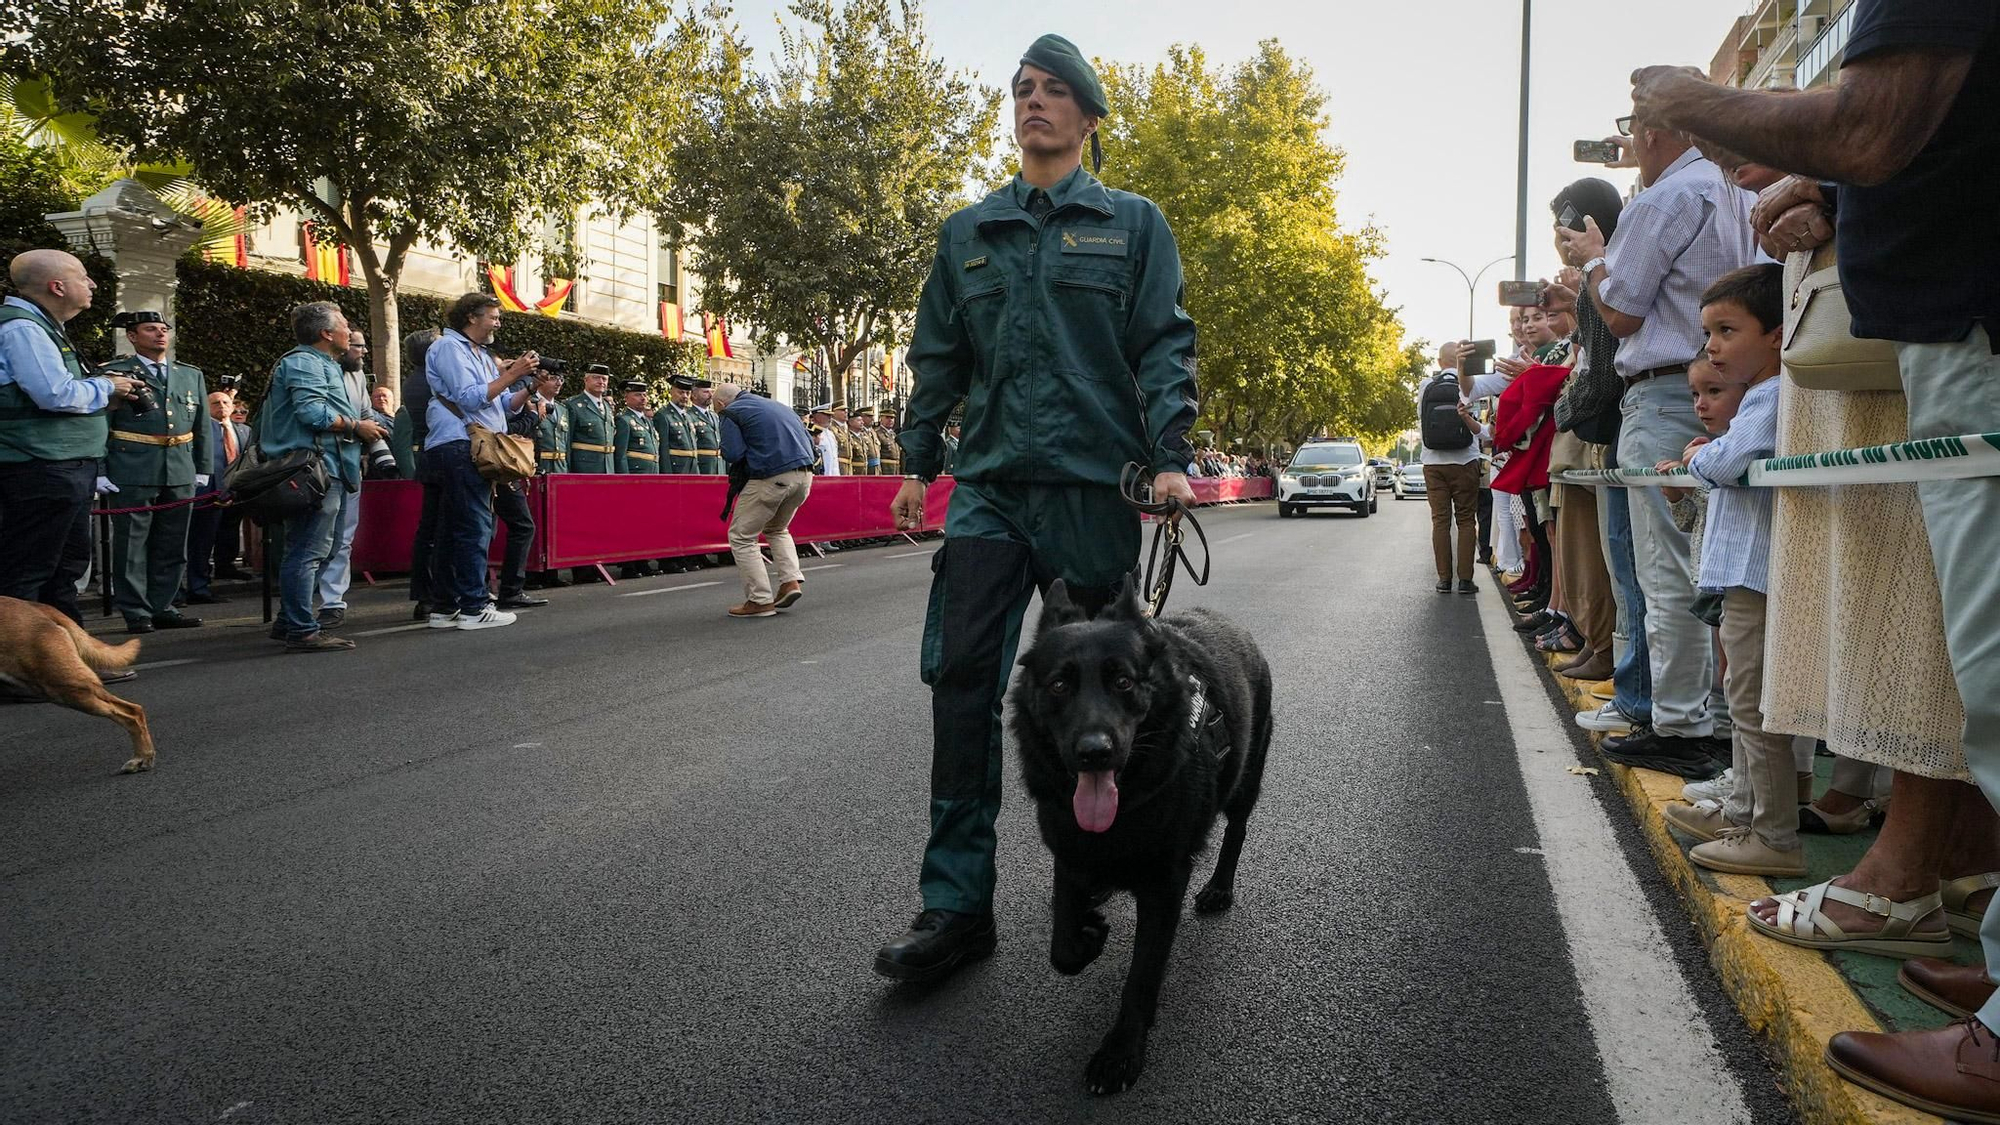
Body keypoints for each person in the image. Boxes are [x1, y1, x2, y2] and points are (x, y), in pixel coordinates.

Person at [1630, 7, 2000, 1116]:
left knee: (1991, 672)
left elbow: (1876, 123)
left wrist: (1685, 97)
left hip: (1973, 328)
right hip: (1957, 322)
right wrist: (1839, 199)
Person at [874, 34, 1199, 983]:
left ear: (1090, 117)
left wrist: (1171, 458)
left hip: (1093, 495)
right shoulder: (968, 231)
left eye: (1055, 92)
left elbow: (1164, 346)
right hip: (988, 493)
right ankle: (955, 908)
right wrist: (914, 464)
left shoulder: (1134, 226)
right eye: (1022, 90)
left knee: (1105, 699)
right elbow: (938, 360)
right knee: (964, 689)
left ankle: (1094, 876)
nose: (1034, 103)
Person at [1548, 105, 1756, 769]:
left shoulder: (1664, 198)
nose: (1631, 142)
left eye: (1633, 124)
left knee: (1666, 571)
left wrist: (1593, 262)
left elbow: (1623, 309)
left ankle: (1678, 723)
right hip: (1721, 387)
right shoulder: (1732, 194)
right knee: (1715, 564)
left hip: (1665, 393)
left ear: (1655, 131)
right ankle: (1712, 717)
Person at [1643, 266, 1795, 835]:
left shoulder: (1771, 396)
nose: (1713, 345)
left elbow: (1728, 465)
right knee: (1746, 697)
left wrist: (1696, 460)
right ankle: (1743, 814)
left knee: (1752, 704)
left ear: (1776, 335)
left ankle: (1770, 832)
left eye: (1727, 330)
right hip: (1740, 574)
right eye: (1709, 333)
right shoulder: (1761, 397)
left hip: (1753, 573)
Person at [0, 249, 143, 633]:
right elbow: (54, 394)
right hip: (40, 468)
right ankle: (21, 669)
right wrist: (106, 385)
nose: (92, 283)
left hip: (59, 467)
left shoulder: (41, 325)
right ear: (57, 286)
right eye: (83, 276)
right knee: (29, 573)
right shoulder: (23, 329)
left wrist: (103, 395)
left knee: (62, 570)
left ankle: (68, 662)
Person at [262, 301, 380, 652]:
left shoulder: (321, 363)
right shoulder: (304, 363)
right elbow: (313, 413)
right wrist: (358, 426)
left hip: (328, 469)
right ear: (326, 333)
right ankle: (301, 629)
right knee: (307, 550)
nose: (350, 331)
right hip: (317, 471)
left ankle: (290, 621)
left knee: (312, 548)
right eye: (343, 324)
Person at [424, 292, 532, 632]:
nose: (498, 322)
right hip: (459, 445)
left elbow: (501, 405)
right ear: (471, 317)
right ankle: (474, 606)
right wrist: (513, 373)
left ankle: (445, 607)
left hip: (468, 445)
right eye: (493, 316)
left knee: (452, 529)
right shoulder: (448, 348)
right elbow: (469, 397)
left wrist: (528, 387)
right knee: (473, 527)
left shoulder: (481, 354)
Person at [98, 311, 209, 634]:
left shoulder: (190, 375)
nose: (160, 335)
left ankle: (163, 604)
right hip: (131, 466)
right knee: (131, 544)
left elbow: (200, 425)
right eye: (151, 329)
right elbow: (101, 424)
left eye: (163, 329)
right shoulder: (113, 373)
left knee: (172, 542)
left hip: (179, 467)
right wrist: (100, 469)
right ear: (132, 336)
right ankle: (135, 610)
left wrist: (202, 467)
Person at [1417, 340, 1513, 593]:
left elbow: (1421, 419)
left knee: (1440, 521)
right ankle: (1466, 580)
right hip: (1464, 461)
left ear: (1439, 362)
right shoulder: (1468, 384)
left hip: (1433, 463)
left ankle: (1444, 580)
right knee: (1466, 520)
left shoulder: (1426, 386)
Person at [714, 382, 815, 617]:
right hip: (804, 476)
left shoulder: (731, 412)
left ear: (720, 403)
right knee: (778, 529)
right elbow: (810, 443)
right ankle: (790, 582)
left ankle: (759, 600)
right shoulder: (780, 407)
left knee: (742, 536)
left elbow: (733, 453)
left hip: (771, 476)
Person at [313, 327, 374, 628]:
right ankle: (297, 606)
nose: (363, 351)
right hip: (316, 466)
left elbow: (366, 413)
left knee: (343, 537)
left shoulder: (358, 376)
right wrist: (356, 426)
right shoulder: (314, 370)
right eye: (357, 345)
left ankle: (332, 601)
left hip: (349, 464)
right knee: (313, 538)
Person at [184, 389, 249, 605]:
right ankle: (198, 586)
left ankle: (225, 567)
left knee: (228, 533)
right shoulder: (202, 430)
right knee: (201, 541)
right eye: (215, 403)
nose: (221, 406)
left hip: (236, 493)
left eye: (225, 402)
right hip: (208, 493)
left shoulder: (243, 431)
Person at [401, 328, 443, 618]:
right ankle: (432, 594)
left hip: (430, 458)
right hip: (439, 457)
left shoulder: (417, 380)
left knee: (431, 529)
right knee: (438, 529)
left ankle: (427, 595)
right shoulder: (430, 381)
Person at [563, 363, 616, 473]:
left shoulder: (607, 406)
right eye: (596, 378)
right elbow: (566, 443)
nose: (601, 382)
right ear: (586, 380)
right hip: (584, 469)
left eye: (604, 379)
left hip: (608, 468)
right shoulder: (573, 405)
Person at [653, 374, 698, 473]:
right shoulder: (663, 415)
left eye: (687, 393)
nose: (685, 396)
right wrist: (667, 476)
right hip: (676, 470)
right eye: (681, 392)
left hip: (691, 469)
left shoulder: (688, 416)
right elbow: (663, 449)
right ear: (672, 392)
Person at [614, 379, 661, 474]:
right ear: (626, 398)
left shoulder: (647, 421)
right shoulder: (624, 420)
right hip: (635, 473)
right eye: (638, 395)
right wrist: (624, 479)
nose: (643, 398)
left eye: (644, 395)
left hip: (652, 472)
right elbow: (620, 455)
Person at [690, 379, 724, 474]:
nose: (710, 395)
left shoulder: (715, 416)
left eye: (711, 392)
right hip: (702, 466)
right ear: (694, 395)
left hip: (719, 466)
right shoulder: (689, 416)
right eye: (705, 392)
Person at [808, 403, 841, 475]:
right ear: (816, 416)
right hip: (820, 476)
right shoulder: (812, 433)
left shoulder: (831, 434)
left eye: (831, 415)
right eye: (827, 415)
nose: (830, 418)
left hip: (833, 476)